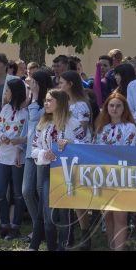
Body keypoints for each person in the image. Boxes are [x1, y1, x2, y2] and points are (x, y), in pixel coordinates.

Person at [29, 89, 86, 252]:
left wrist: (70, 142)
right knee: (48, 216)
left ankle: (63, 246)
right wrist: (43, 153)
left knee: (65, 214)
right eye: (45, 100)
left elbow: (87, 144)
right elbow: (34, 149)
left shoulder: (72, 123)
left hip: (68, 172)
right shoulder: (43, 124)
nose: (45, 103)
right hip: (48, 170)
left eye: (49, 100)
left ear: (59, 103)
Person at [91, 92, 136, 252]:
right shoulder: (100, 127)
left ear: (124, 108)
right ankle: (111, 247)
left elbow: (127, 149)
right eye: (111, 105)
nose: (115, 108)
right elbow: (93, 149)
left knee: (120, 215)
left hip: (122, 175)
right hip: (103, 175)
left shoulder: (130, 127)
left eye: (119, 105)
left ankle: (119, 249)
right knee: (108, 214)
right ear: (106, 108)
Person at [58, 70, 94, 249]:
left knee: (78, 193)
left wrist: (70, 142)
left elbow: (82, 130)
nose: (59, 86)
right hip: (62, 152)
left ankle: (85, 233)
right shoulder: (61, 105)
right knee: (66, 193)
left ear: (70, 84)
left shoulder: (81, 106)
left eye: (62, 82)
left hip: (79, 151)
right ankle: (68, 232)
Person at [0, 79, 29, 241]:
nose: (5, 94)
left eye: (7, 91)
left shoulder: (26, 111)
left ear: (15, 92)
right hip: (4, 156)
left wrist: (18, 151)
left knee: (17, 193)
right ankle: (5, 224)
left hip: (18, 157)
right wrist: (1, 137)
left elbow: (28, 134)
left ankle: (16, 227)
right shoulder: (6, 109)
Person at [22, 70, 53, 246]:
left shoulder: (47, 104)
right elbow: (28, 125)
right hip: (30, 151)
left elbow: (35, 117)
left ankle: (41, 229)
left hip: (43, 152)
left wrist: (34, 96)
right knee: (26, 191)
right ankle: (38, 225)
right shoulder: (31, 101)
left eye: (33, 84)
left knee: (42, 192)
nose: (30, 87)